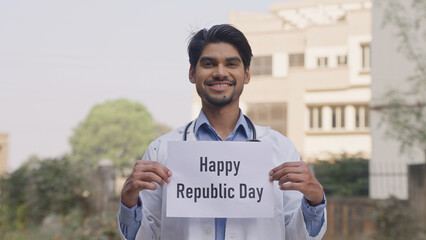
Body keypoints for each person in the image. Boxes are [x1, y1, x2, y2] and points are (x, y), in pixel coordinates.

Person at [118, 24, 327, 240]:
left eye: (231, 64)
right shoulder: (161, 150)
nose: (220, 72)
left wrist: (314, 201)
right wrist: (129, 201)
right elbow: (143, 236)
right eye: (208, 64)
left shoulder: (281, 149)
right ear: (192, 73)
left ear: (246, 74)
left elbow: (297, 236)